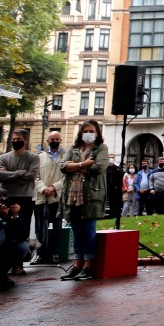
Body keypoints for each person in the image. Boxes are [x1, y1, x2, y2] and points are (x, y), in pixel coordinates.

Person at [59, 119, 109, 281]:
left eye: (91, 131)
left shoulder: (101, 148)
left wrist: (74, 166)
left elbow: (98, 167)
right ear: (80, 133)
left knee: (88, 231)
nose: (88, 134)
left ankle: (88, 265)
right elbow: (63, 167)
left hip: (91, 196)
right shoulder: (73, 148)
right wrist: (83, 164)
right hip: (72, 196)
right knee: (77, 232)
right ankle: (76, 264)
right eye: (85, 131)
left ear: (97, 133)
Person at [0, 129, 38, 275]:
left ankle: (18, 265)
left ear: (25, 140)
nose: (15, 141)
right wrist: (20, 173)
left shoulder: (33, 157)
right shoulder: (3, 157)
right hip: (6, 197)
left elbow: (32, 176)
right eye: (13, 139)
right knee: (3, 230)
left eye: (18, 139)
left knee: (21, 231)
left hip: (25, 198)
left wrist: (10, 175)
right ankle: (0, 265)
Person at [31, 130, 65, 265]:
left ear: (61, 140)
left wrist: (54, 187)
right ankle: (39, 253)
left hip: (57, 197)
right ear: (47, 141)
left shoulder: (65, 157)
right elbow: (35, 176)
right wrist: (43, 188)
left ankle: (54, 253)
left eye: (57, 139)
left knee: (57, 227)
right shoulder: (39, 157)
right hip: (41, 197)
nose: (54, 141)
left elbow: (67, 177)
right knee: (40, 227)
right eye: (52, 139)